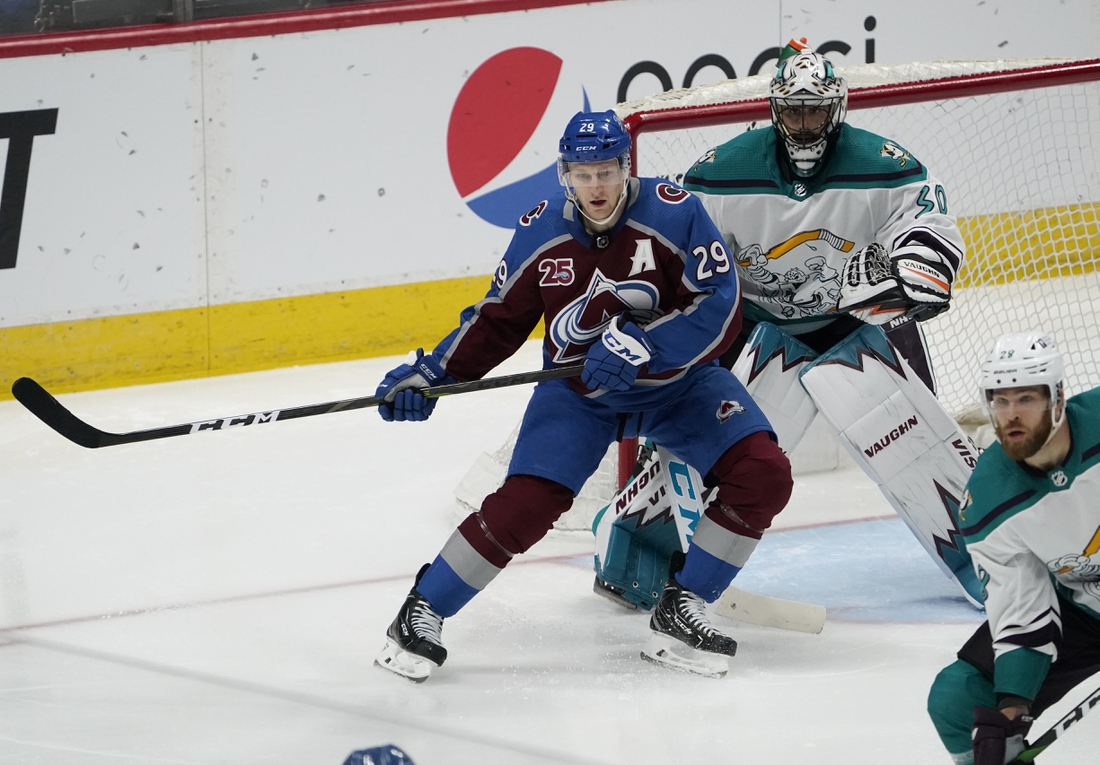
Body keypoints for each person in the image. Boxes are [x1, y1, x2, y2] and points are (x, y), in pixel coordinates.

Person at [372, 109, 793, 682]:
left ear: (627, 167)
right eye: (583, 174)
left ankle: (683, 606)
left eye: (607, 172)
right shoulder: (541, 230)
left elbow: (721, 304)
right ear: (565, 174)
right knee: (524, 507)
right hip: (581, 396)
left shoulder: (676, 212)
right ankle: (422, 611)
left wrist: (647, 344)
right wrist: (436, 373)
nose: (597, 187)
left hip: (681, 387)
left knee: (763, 473)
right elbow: (497, 319)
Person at [670, 37, 982, 605]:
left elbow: (928, 216)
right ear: (774, 109)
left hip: (853, 322)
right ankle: (650, 548)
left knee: (917, 441)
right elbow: (675, 245)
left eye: (817, 109)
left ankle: (991, 556)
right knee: (714, 444)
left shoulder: (884, 164)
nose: (807, 122)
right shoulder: (721, 172)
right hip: (757, 327)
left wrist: (923, 261)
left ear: (837, 108)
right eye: (795, 110)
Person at [927, 331, 1100, 765]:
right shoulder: (988, 498)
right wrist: (1012, 711)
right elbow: (1022, 609)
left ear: (1058, 399)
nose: (1011, 415)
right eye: (1000, 401)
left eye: (1026, 399)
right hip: (1082, 605)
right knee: (957, 699)